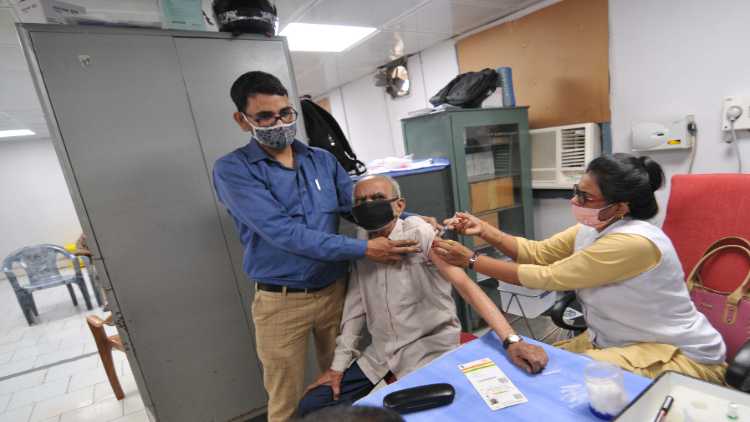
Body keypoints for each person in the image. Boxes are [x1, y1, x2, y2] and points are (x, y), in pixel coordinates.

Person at [212, 71, 422, 422]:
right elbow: (284, 234)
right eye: (265, 116)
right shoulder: (233, 170)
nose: (278, 123)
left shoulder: (321, 161)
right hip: (281, 302)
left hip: (336, 294)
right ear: (242, 120)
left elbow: (356, 210)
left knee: (335, 387)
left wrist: (410, 220)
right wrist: (364, 250)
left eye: (285, 113)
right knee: (285, 400)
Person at [432, 153, 726, 383]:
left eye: (585, 197)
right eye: (576, 191)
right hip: (616, 341)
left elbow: (548, 277)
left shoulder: (634, 242)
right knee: (534, 368)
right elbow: (538, 253)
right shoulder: (595, 225)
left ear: (621, 207)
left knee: (567, 383)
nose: (574, 201)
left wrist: (471, 260)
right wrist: (483, 229)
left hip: (676, 354)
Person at [296, 175, 548, 417]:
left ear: (399, 205)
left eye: (377, 197)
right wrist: (337, 368)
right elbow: (354, 310)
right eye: (361, 202)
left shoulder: (419, 233)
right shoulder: (363, 246)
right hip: (381, 354)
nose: (369, 205)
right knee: (313, 405)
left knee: (446, 411)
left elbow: (466, 287)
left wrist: (511, 340)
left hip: (429, 348)